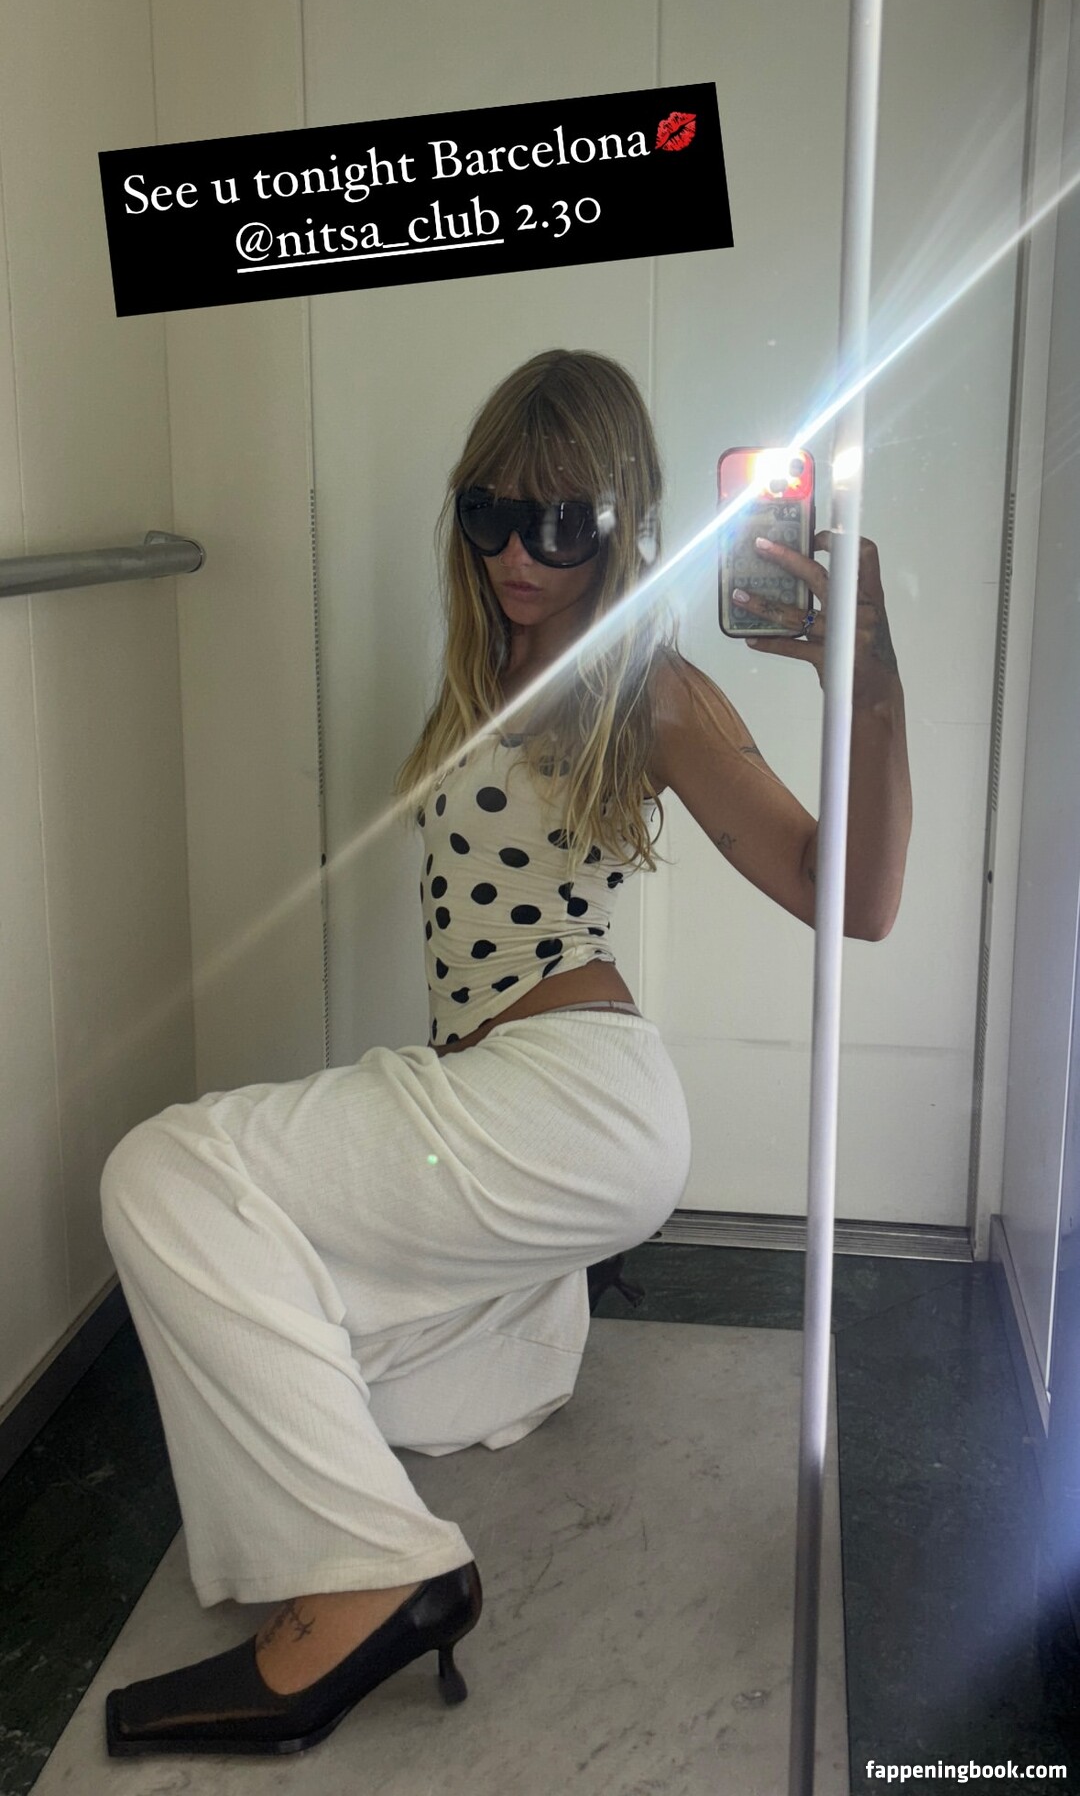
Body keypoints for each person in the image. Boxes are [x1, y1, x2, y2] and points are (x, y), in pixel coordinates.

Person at [99, 348, 909, 1758]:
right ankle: (525, 1334)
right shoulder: (489, 668)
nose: (520, 556)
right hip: (508, 1105)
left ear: (623, 525)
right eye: (490, 514)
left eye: (561, 524)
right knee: (283, 1352)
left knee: (163, 1173)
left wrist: (869, 677)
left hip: (572, 1095)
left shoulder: (644, 687)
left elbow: (858, 899)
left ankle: (375, 1579)